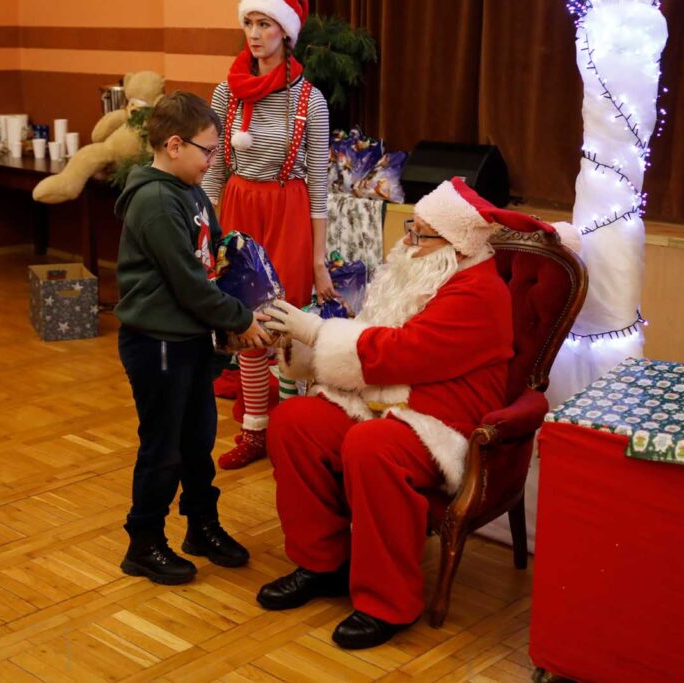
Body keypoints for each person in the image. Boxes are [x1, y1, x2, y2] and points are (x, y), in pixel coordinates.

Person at [259, 179, 554, 649]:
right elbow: (370, 336)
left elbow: (401, 353)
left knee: (372, 447)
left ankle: (387, 602)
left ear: (455, 247)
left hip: (441, 418)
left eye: (418, 234)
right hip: (378, 397)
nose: (405, 243)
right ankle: (323, 563)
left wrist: (315, 332)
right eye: (409, 230)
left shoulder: (477, 293)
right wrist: (297, 338)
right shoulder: (420, 273)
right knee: (296, 424)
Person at [114, 91, 272, 585]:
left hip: (189, 340)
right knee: (163, 447)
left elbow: (212, 265)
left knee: (197, 439)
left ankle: (201, 526)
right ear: (175, 145)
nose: (213, 161)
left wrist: (241, 291)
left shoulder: (191, 192)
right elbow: (186, 282)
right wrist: (240, 320)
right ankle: (144, 542)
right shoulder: (156, 200)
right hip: (158, 342)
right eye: (207, 151)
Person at [202, 0, 334, 470]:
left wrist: (318, 261)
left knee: (287, 322)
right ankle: (255, 428)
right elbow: (212, 172)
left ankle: (296, 429)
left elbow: (319, 187)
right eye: (249, 24)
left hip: (289, 211)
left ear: (287, 33)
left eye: (265, 24)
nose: (254, 34)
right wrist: (206, 238)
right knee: (245, 321)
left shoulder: (310, 100)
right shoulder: (226, 94)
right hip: (239, 209)